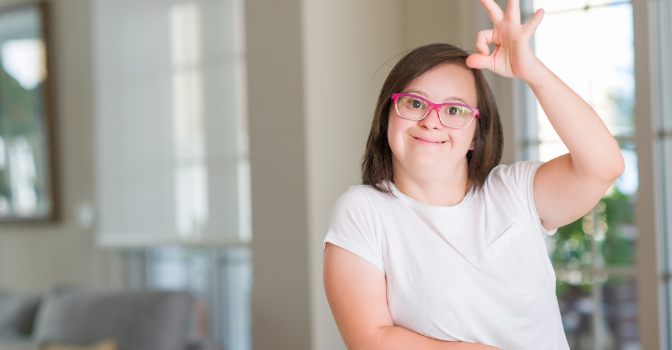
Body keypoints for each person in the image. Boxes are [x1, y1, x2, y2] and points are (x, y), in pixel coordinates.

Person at [322, 0, 625, 349]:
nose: (431, 120)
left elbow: (604, 165)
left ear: (477, 135)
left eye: (454, 109)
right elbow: (371, 339)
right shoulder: (363, 211)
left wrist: (532, 70)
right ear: (388, 114)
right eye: (414, 103)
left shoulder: (515, 190)